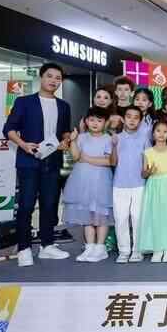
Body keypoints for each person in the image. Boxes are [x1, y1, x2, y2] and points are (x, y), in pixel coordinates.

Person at [3, 62, 72, 267]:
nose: (53, 81)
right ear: (41, 77)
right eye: (50, 76)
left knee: (50, 205)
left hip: (53, 161)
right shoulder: (24, 102)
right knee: (26, 205)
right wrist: (23, 145)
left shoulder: (64, 106)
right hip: (29, 161)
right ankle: (24, 248)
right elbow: (9, 129)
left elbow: (65, 131)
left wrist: (66, 141)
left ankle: (47, 245)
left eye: (58, 78)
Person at [64, 108, 115, 263]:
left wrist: (86, 158)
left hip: (101, 180)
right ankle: (90, 246)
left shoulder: (108, 139)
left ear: (105, 123)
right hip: (82, 180)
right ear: (86, 121)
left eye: (99, 120)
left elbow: (109, 161)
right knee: (87, 215)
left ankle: (100, 247)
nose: (95, 123)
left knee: (101, 214)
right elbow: (75, 157)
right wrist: (73, 141)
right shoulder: (81, 137)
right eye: (92, 120)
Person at [139, 120, 167, 262]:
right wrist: (149, 171)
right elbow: (143, 174)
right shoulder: (147, 152)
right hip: (154, 186)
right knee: (155, 217)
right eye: (158, 131)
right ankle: (157, 248)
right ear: (153, 134)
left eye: (165, 131)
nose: (161, 134)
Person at [111, 105, 149, 263]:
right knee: (120, 218)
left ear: (140, 121)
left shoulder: (144, 138)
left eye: (136, 117)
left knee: (137, 218)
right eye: (129, 116)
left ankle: (137, 250)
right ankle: (124, 250)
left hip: (139, 184)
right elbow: (112, 162)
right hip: (119, 184)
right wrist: (114, 146)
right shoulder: (116, 138)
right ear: (123, 119)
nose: (132, 120)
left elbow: (147, 161)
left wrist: (147, 172)